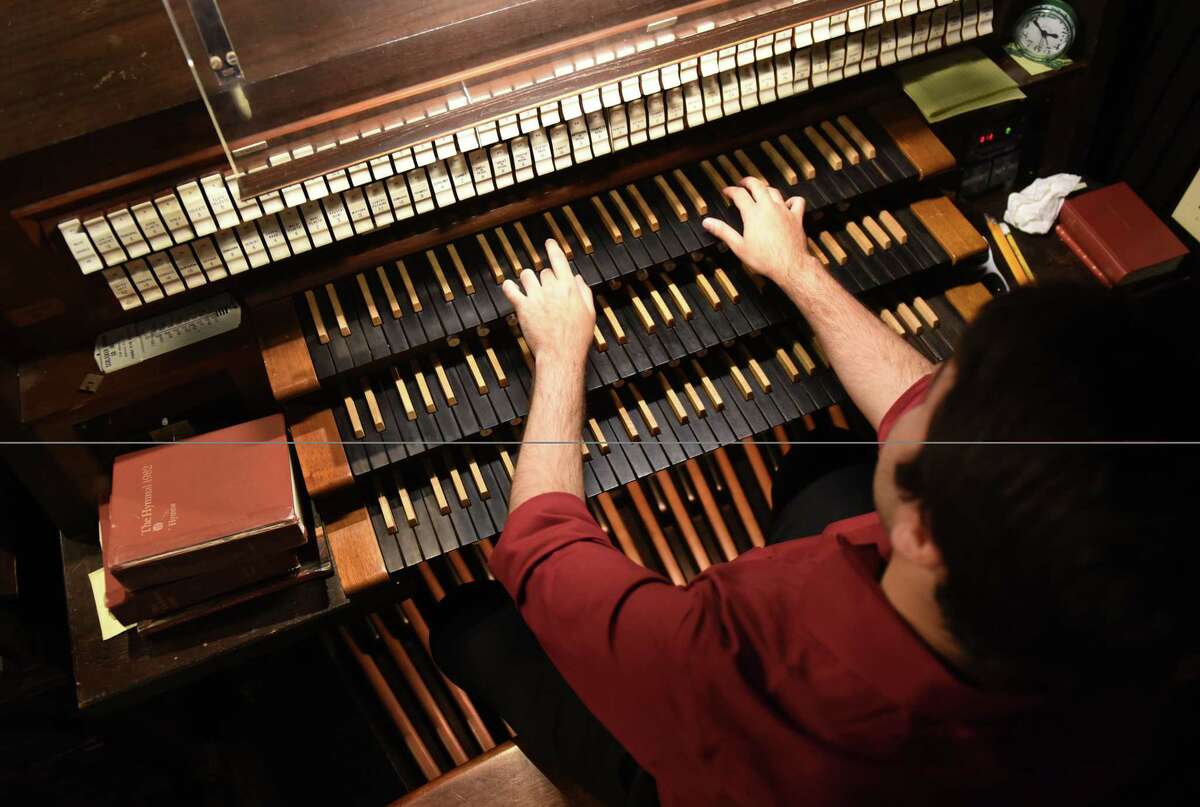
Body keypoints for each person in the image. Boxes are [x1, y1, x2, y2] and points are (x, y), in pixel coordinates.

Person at [429, 177, 1199, 806]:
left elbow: (538, 541)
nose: (920, 392)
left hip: (716, 764)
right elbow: (927, 425)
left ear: (925, 533)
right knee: (827, 457)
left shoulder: (744, 648)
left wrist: (560, 352)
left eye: (941, 399)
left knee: (472, 621)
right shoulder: (1145, 647)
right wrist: (798, 271)